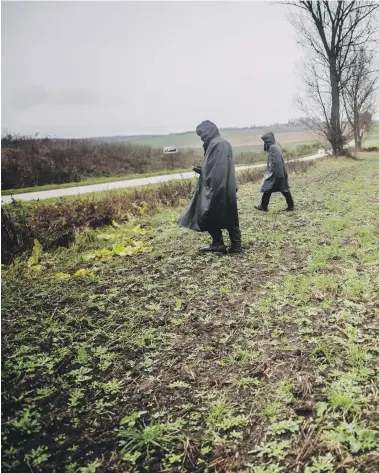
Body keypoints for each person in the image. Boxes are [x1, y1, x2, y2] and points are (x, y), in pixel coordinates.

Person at [178, 120, 242, 253]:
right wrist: (202, 170)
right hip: (221, 185)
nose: (202, 137)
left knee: (211, 212)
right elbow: (216, 167)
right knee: (224, 213)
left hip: (217, 186)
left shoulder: (217, 144)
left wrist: (205, 175)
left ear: (209, 131)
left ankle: (228, 244)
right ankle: (227, 244)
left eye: (202, 134)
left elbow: (218, 169)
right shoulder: (220, 143)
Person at [255, 132, 295, 212]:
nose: (264, 143)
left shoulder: (273, 148)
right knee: (273, 189)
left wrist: (270, 172)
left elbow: (275, 162)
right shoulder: (275, 147)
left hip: (276, 173)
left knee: (275, 188)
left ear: (268, 140)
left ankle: (264, 206)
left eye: (265, 141)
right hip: (279, 172)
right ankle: (264, 206)